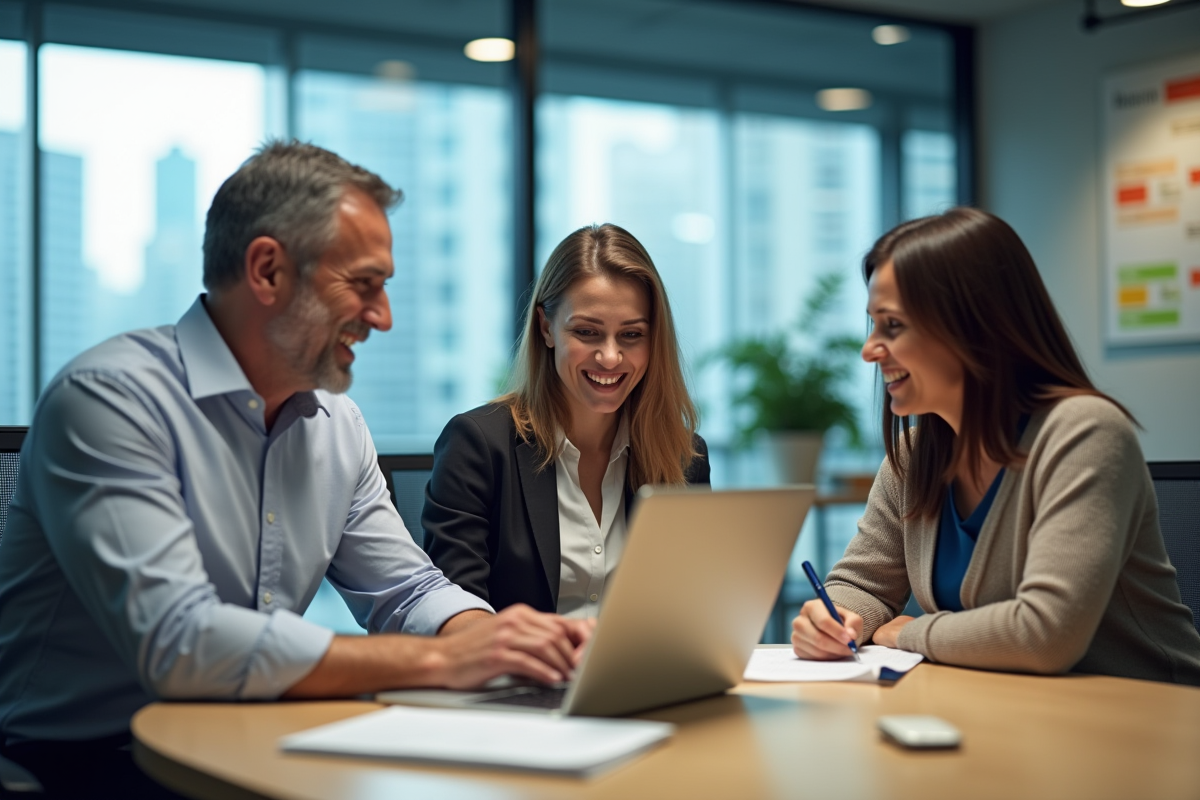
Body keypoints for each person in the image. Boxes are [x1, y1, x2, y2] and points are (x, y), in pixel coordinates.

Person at [0, 142, 590, 798]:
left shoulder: (338, 426)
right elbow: (181, 642)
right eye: (363, 285)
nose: (383, 318)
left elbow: (407, 591)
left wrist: (502, 641)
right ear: (268, 271)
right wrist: (445, 657)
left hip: (256, 734)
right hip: (82, 759)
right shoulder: (109, 399)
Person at [791, 207, 1200, 685]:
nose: (870, 349)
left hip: (1151, 722)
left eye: (893, 326)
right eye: (873, 326)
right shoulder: (913, 454)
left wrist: (909, 633)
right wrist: (831, 619)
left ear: (972, 326)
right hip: (1011, 713)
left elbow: (1045, 634)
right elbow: (862, 586)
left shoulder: (1085, 433)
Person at [423, 223, 710, 617]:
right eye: (588, 332)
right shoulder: (479, 445)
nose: (610, 357)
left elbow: (694, 609)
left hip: (640, 676)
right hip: (522, 675)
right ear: (547, 328)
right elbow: (457, 612)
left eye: (631, 335)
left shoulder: (683, 455)